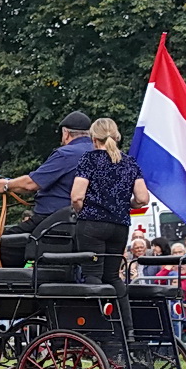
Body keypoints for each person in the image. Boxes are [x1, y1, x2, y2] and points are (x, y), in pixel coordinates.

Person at [68, 117, 149, 340]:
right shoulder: (130, 162)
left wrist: (85, 211)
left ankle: (99, 328)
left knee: (93, 275)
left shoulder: (89, 159)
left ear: (94, 138)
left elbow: (76, 196)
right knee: (113, 277)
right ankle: (127, 329)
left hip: (92, 225)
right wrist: (123, 205)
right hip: (119, 226)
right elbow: (142, 198)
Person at [0, 111, 95, 238]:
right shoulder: (101, 153)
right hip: (90, 221)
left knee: (5, 242)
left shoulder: (66, 154)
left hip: (54, 219)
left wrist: (6, 185)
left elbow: (31, 184)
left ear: (66, 133)